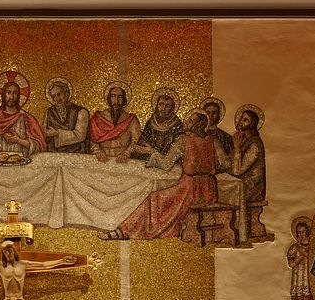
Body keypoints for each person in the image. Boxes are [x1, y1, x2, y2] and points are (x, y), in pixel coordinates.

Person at [99, 109, 221, 240]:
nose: (185, 121)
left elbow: (166, 164)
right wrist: (205, 170)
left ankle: (125, 231)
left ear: (199, 125)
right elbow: (224, 163)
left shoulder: (183, 140)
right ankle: (124, 231)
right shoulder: (213, 141)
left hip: (188, 190)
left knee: (154, 199)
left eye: (190, 120)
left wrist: (151, 151)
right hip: (209, 191)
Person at [0, 73, 46, 158]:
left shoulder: (26, 118)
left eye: (15, 93)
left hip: (21, 160)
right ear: (3, 95)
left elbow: (39, 145)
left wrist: (18, 140)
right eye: (8, 93)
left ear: (18, 96)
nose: (11, 97)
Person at [89, 82, 141, 163]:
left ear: (124, 100)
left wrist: (127, 153)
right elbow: (91, 139)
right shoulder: (98, 118)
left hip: (122, 160)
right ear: (109, 99)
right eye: (113, 96)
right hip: (101, 160)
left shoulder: (131, 120)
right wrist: (97, 150)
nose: (116, 101)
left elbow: (136, 141)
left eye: (120, 97)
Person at [131, 88, 182, 160]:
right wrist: (139, 147)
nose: (163, 108)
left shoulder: (177, 125)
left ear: (172, 108)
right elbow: (143, 140)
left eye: (167, 106)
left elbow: (175, 151)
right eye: (161, 104)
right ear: (156, 105)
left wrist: (151, 151)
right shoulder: (152, 121)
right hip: (148, 158)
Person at [42, 78, 89, 153]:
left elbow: (80, 136)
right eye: (54, 96)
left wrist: (57, 133)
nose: (57, 99)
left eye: (59, 94)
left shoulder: (81, 112)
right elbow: (44, 131)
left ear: (66, 93)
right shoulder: (49, 111)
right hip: (54, 153)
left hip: (76, 154)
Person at [287, 217, 314, 300]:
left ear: (307, 232)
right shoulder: (293, 248)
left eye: (303, 232)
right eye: (298, 232)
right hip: (298, 281)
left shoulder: (313, 247)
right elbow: (291, 264)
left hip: (308, 280)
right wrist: (301, 255)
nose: (301, 234)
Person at [200, 97, 234, 161]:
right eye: (208, 112)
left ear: (219, 115)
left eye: (214, 113)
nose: (210, 116)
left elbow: (230, 158)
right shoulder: (198, 134)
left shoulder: (226, 137)